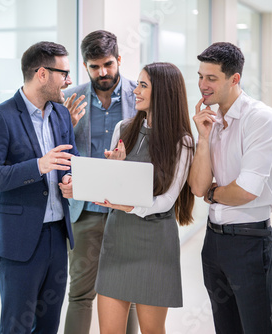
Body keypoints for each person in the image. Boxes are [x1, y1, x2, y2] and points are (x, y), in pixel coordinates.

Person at [61, 62, 195, 333]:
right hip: (118, 240)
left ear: (164, 92)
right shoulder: (124, 129)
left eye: (144, 85)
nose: (136, 90)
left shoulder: (182, 142)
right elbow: (112, 186)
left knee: (151, 330)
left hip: (155, 245)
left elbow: (167, 200)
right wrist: (83, 185)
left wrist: (128, 204)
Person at [0, 41, 79, 334]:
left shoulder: (60, 113)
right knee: (16, 326)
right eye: (65, 73)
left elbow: (71, 159)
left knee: (48, 325)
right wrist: (38, 166)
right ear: (42, 74)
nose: (69, 81)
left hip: (57, 237)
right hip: (17, 242)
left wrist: (72, 179)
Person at [188, 42, 272, 334]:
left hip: (249, 243)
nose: (203, 85)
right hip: (213, 244)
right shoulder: (210, 121)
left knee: (257, 327)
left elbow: (246, 191)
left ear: (234, 79)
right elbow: (198, 187)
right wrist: (202, 139)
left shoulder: (260, 118)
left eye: (211, 78)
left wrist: (214, 194)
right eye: (200, 76)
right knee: (225, 328)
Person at [61, 30, 138, 334]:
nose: (102, 72)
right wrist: (65, 127)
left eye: (108, 64)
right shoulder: (70, 99)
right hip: (86, 211)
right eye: (95, 67)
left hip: (126, 212)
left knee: (126, 293)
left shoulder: (140, 95)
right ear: (85, 66)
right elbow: (55, 151)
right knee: (80, 293)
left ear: (119, 59)